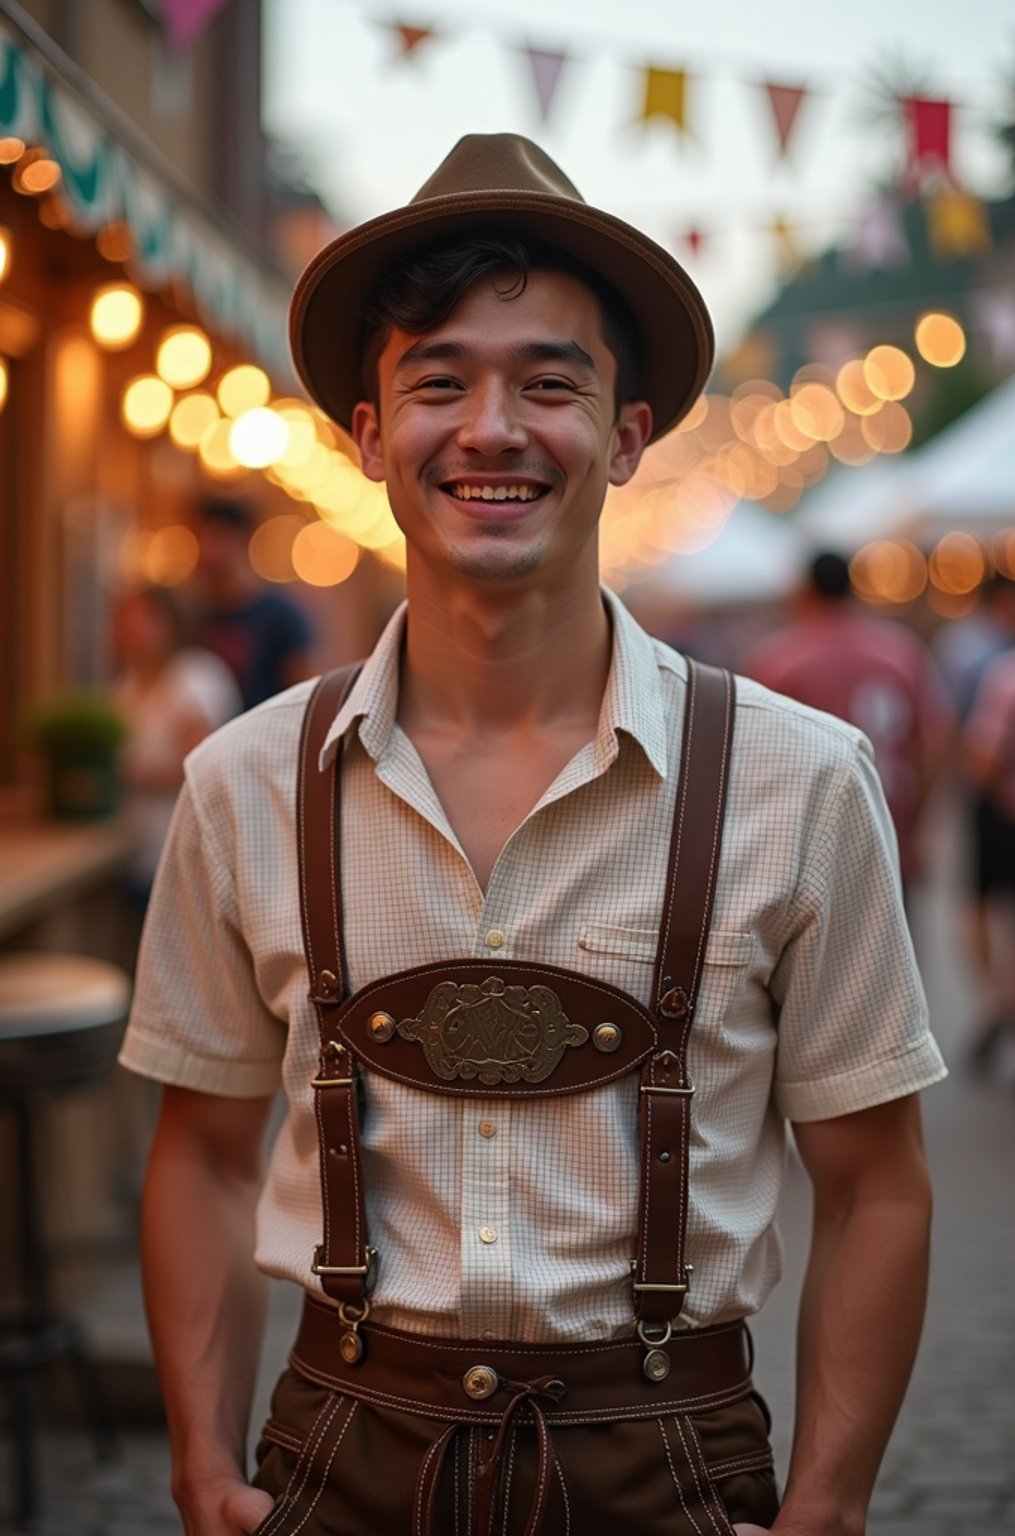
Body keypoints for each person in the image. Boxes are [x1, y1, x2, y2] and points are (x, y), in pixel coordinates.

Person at [121, 135, 946, 1536]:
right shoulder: (243, 783)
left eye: (551, 383)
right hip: (340, 1455)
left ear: (626, 436)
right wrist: (205, 1471)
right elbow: (197, 1152)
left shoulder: (803, 784)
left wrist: (829, 1510)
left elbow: (876, 1186)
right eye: (438, 380)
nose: (492, 428)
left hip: (667, 1457)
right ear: (372, 434)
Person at [745, 550, 951, 892]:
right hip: (890, 820)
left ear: (806, 591)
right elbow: (936, 740)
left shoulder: (778, 661)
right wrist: (917, 819)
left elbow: (756, 758)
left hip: (809, 840)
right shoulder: (900, 650)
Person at [111, 584, 241, 911]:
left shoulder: (196, 677)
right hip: (132, 849)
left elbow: (195, 768)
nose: (134, 632)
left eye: (145, 620)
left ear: (171, 623)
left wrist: (125, 773)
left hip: (182, 851)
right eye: (126, 623)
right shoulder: (125, 686)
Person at [962, 585, 1015, 1076]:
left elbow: (983, 761)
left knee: (988, 912)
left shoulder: (1008, 677)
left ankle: (1003, 1008)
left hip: (1008, 816)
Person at [192, 496, 316, 709]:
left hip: (266, 734)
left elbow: (301, 691)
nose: (207, 550)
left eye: (216, 537)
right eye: (200, 538)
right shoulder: (195, 614)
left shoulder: (280, 614)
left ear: (241, 539)